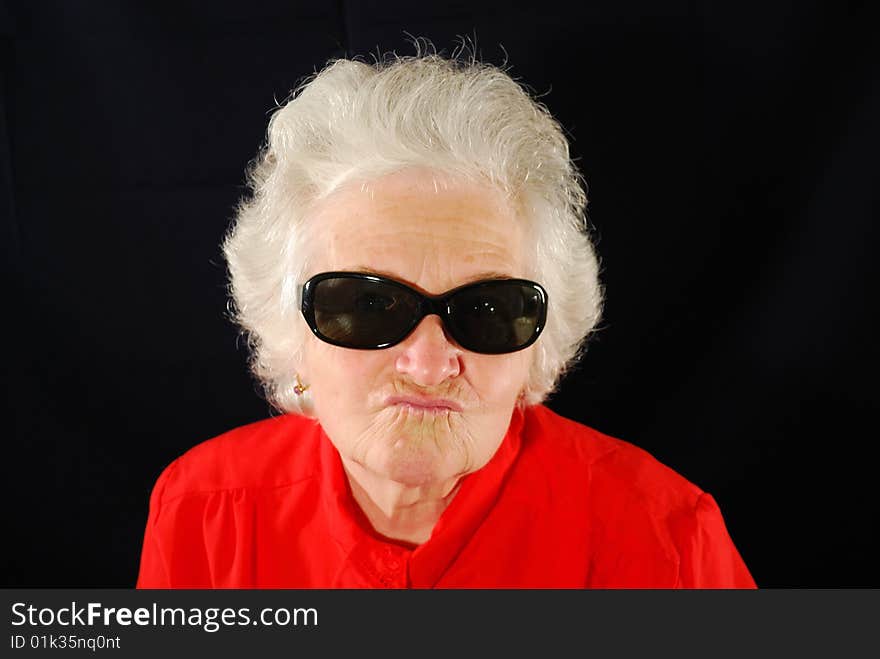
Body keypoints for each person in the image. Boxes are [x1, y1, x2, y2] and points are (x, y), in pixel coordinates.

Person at [136, 49, 755, 588]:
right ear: (287, 331)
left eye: (485, 310)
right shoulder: (202, 511)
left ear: (538, 351)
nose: (429, 365)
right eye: (368, 305)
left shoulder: (670, 541)